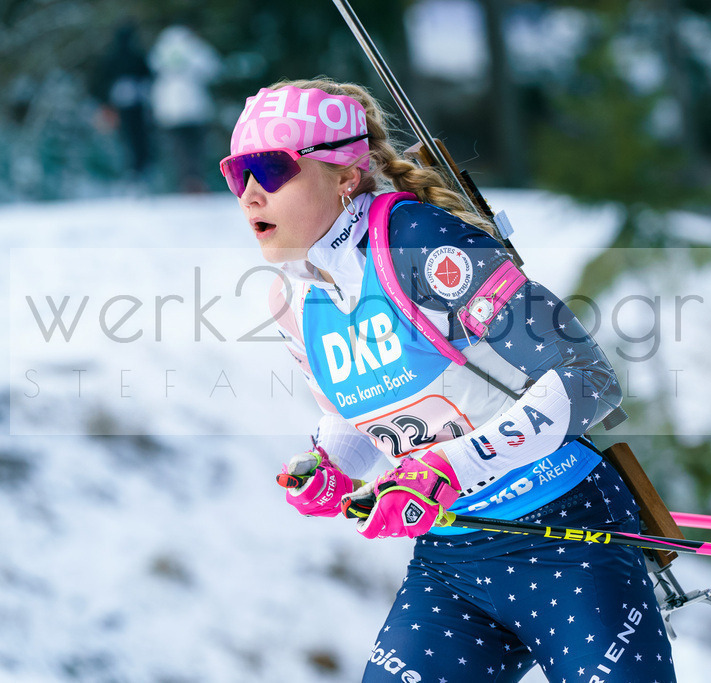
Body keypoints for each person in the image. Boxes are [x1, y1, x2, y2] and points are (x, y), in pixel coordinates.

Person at [220, 77, 677, 682]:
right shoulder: (293, 301)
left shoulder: (418, 241)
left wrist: (452, 466)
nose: (250, 195)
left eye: (270, 170)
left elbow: (585, 378)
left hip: (564, 533)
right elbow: (363, 415)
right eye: (236, 174)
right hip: (456, 555)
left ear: (345, 176)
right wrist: (331, 464)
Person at [149, 24, 220, 192]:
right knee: (196, 147)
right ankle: (196, 181)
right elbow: (213, 68)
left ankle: (185, 181)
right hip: (194, 107)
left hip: (170, 110)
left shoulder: (160, 50)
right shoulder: (194, 48)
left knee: (178, 149)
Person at [90, 20, 153, 185]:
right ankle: (135, 172)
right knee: (135, 139)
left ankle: (133, 172)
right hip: (129, 106)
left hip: (123, 105)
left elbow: (99, 82)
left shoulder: (112, 56)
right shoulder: (136, 55)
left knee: (128, 139)